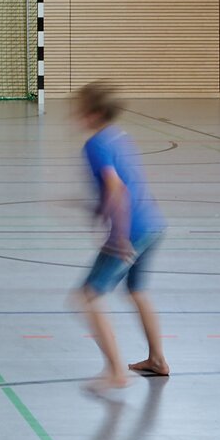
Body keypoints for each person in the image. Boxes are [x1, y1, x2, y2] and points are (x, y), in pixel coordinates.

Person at [70, 81, 166, 396]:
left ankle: (115, 372)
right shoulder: (119, 137)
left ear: (93, 113)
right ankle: (157, 359)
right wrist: (96, 212)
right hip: (153, 224)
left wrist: (119, 236)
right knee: (137, 290)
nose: (75, 113)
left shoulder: (95, 145)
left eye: (80, 107)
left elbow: (117, 190)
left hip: (133, 231)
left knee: (86, 296)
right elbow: (122, 186)